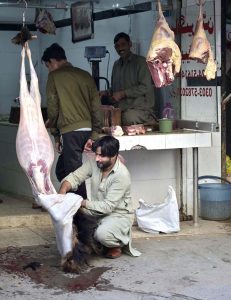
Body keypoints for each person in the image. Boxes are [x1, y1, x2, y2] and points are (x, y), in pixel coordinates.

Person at [58, 135, 141, 259]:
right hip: (97, 211)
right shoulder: (95, 163)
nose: (97, 159)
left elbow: (107, 207)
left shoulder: (122, 175)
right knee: (76, 220)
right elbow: (75, 177)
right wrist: (62, 191)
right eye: (96, 154)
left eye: (101, 156)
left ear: (114, 156)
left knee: (102, 235)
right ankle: (98, 242)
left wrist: (82, 203)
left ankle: (116, 245)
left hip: (117, 214)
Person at [41, 43, 102, 200]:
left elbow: (53, 108)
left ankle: (83, 217)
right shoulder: (85, 75)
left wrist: (54, 133)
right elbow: (96, 106)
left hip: (71, 133)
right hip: (87, 130)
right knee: (62, 170)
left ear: (53, 61)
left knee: (74, 176)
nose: (49, 69)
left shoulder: (54, 77)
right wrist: (95, 133)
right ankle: (69, 205)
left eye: (48, 66)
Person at [101, 32, 156, 125]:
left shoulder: (141, 62)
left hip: (139, 109)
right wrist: (106, 92)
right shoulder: (116, 65)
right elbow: (115, 89)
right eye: (117, 46)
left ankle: (151, 120)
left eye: (123, 45)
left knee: (126, 118)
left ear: (130, 44)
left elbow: (145, 87)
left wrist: (123, 94)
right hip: (121, 109)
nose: (120, 48)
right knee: (102, 117)